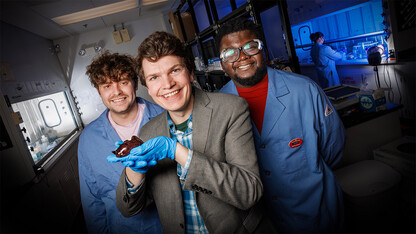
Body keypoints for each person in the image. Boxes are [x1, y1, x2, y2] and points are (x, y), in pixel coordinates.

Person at [107, 31, 275, 233]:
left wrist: (176, 151)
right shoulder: (148, 131)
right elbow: (128, 209)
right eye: (154, 77)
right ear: (147, 87)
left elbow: (249, 192)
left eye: (175, 70)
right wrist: (135, 171)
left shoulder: (231, 110)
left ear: (190, 72)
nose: (167, 84)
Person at [216, 17, 346, 233]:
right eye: (230, 53)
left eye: (251, 46)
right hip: (263, 222)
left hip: (315, 214)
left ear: (263, 50)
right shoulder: (218, 106)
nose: (242, 57)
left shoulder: (305, 90)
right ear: (222, 63)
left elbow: (334, 147)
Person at [78, 51, 163, 233]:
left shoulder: (164, 117)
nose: (116, 92)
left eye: (123, 82)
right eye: (107, 85)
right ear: (99, 91)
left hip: (167, 225)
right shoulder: (89, 138)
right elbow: (91, 198)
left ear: (136, 83)